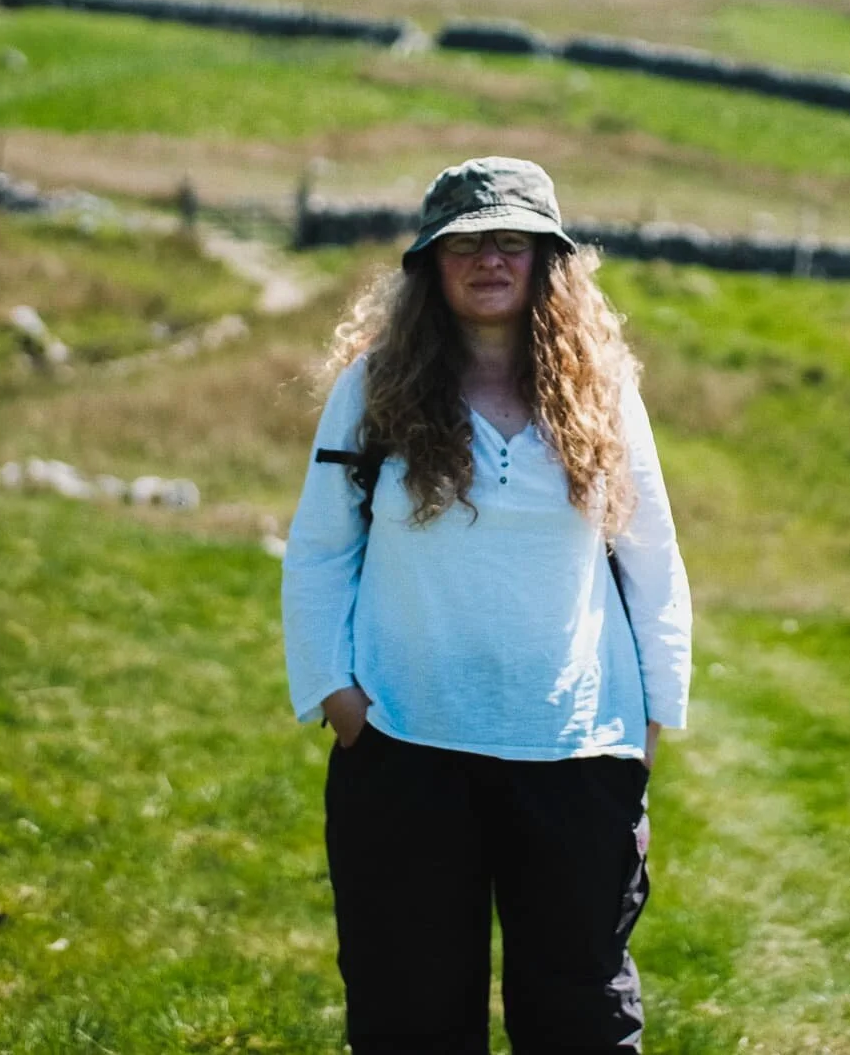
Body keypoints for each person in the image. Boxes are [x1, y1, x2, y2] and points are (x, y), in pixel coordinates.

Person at [281, 156, 692, 1054]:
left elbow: (653, 561)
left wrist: (645, 733)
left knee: (578, 1017)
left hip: (575, 754)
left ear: (550, 259)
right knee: (408, 1015)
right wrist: (342, 703)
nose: (490, 258)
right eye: (465, 242)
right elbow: (318, 552)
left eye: (513, 239)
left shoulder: (603, 394)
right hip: (405, 750)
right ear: (430, 263)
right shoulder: (375, 389)